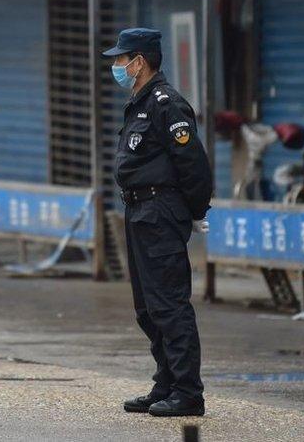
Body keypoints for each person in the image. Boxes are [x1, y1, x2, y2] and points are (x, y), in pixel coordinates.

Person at [102, 28, 213, 417]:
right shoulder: (140, 103)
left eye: (121, 59)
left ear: (140, 62)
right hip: (139, 212)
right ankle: (165, 383)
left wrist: (196, 211)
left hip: (160, 212)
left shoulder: (168, 105)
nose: (117, 66)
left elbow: (193, 165)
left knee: (169, 304)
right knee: (147, 308)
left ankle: (188, 392)